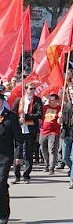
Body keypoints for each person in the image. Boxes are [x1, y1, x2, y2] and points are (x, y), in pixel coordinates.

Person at [11, 82, 43, 184]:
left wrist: (27, 116)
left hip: (30, 130)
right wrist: (18, 119)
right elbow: (13, 114)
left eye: (34, 89)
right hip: (19, 130)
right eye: (31, 89)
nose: (32, 90)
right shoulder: (19, 100)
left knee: (29, 153)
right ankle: (17, 176)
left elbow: (39, 114)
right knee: (17, 153)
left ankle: (26, 175)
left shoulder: (37, 100)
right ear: (26, 89)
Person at [0, 93, 23, 224]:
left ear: (2, 102)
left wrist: (18, 155)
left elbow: (18, 139)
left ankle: (3, 214)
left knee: (1, 183)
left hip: (5, 157)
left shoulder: (11, 116)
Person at [39, 93, 61, 175]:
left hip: (54, 132)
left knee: (51, 149)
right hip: (44, 131)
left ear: (57, 101)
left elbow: (61, 120)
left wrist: (60, 117)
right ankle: (47, 164)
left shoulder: (60, 109)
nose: (50, 102)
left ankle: (51, 167)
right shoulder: (45, 107)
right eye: (49, 100)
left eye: (52, 100)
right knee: (43, 148)